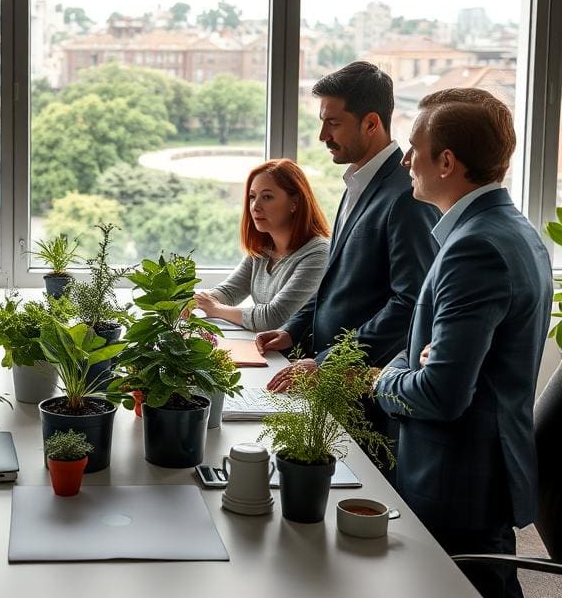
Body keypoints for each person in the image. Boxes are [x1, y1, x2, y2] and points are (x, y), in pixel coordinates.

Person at [373, 88, 552, 598]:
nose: (405, 159)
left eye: (414, 147)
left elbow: (441, 394)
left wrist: (386, 376)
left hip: (456, 483)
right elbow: (427, 360)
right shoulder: (510, 229)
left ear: (446, 161)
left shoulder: (475, 247)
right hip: (473, 473)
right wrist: (417, 362)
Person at [258, 61, 440, 393]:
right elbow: (335, 283)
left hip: (364, 387)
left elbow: (409, 303)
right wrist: (293, 329)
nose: (322, 135)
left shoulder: (406, 196)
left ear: (371, 123)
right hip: (326, 375)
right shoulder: (356, 182)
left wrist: (328, 362)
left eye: (333, 123)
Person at [193, 159, 329, 331]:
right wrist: (196, 302)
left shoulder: (318, 254)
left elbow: (274, 318)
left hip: (299, 356)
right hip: (267, 350)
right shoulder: (262, 250)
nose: (255, 206)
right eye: (252, 197)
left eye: (267, 197)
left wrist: (215, 309)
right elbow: (229, 292)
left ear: (295, 202)